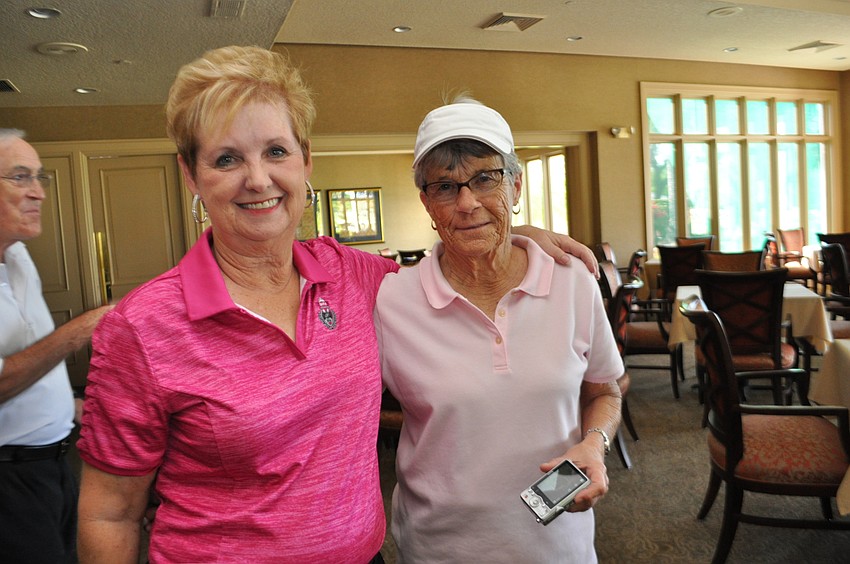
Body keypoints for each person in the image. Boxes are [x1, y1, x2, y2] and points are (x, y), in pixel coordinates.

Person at [75, 46, 597, 563]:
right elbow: (110, 514)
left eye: (276, 151)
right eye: (227, 158)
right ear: (192, 174)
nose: (257, 179)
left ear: (306, 160)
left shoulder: (352, 276)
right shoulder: (144, 327)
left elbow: (452, 268)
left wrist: (510, 233)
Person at [374, 98, 624, 563]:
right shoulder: (391, 301)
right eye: (446, 188)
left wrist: (596, 442)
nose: (467, 203)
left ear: (516, 185)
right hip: (440, 548)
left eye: (485, 178)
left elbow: (605, 390)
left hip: (559, 543)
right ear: (427, 203)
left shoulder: (571, 282)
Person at [0, 129, 112, 563]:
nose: (38, 193)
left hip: (55, 465)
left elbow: (27, 354)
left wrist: (70, 406)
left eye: (39, 177)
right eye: (21, 177)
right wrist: (88, 325)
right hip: (10, 480)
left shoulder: (17, 257)